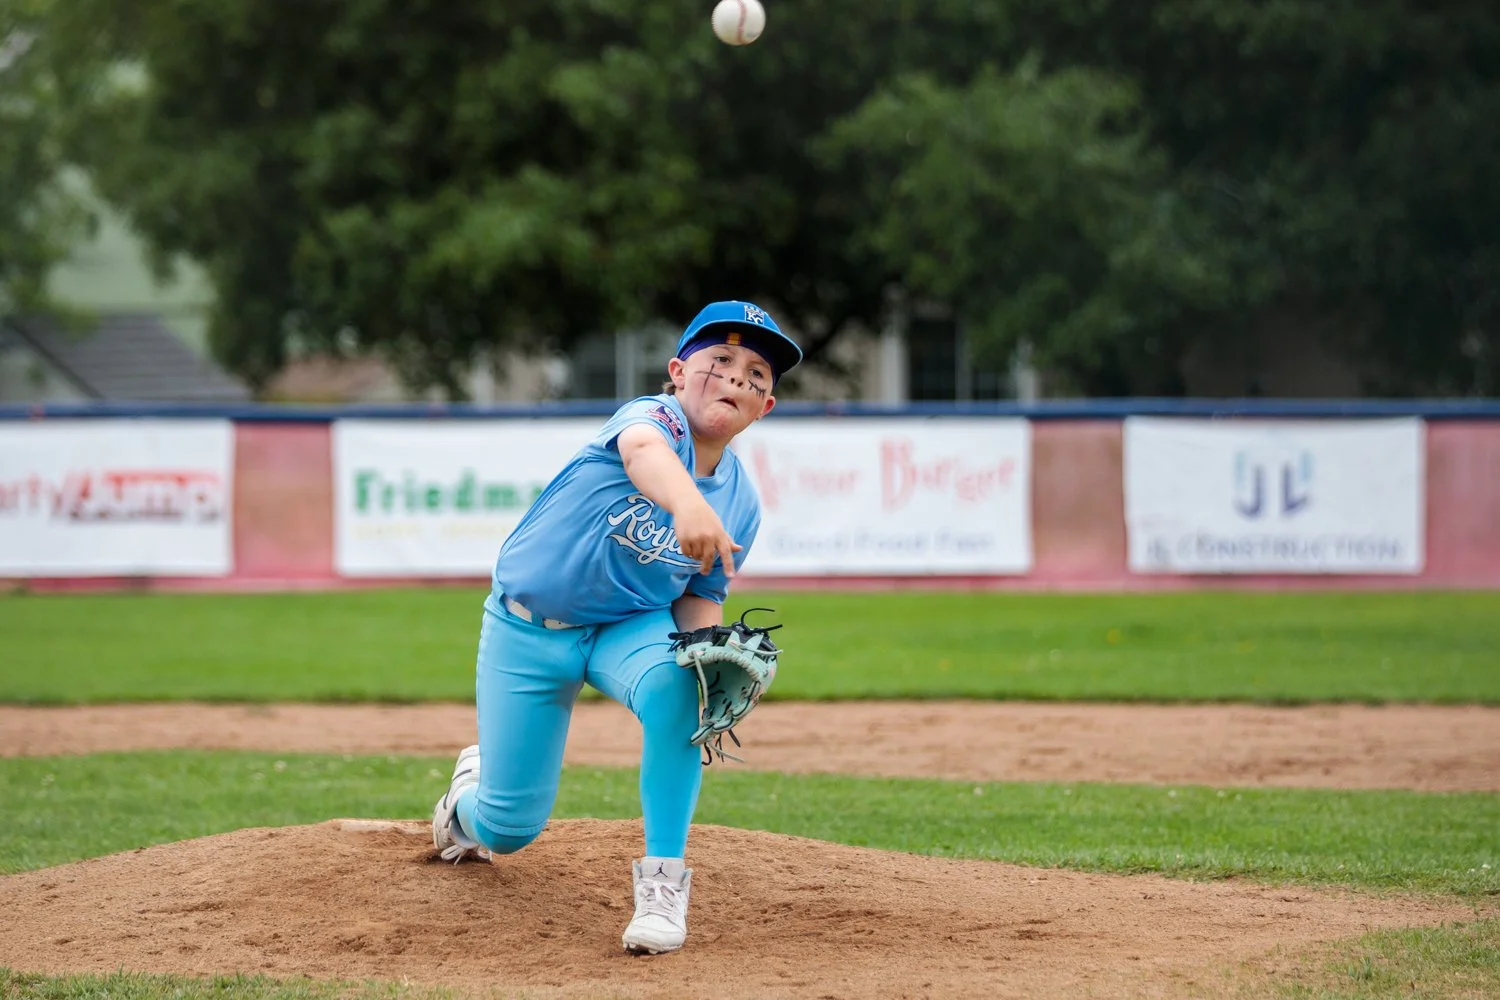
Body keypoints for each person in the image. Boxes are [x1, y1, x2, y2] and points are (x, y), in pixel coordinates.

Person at [431, 300, 802, 955]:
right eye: (720, 359)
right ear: (678, 373)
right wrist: (686, 503)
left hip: (627, 629)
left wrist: (705, 654)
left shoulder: (740, 501)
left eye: (756, 374)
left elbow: (701, 593)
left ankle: (663, 887)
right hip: (527, 630)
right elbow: (642, 453)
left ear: (764, 407)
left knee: (679, 690)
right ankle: (465, 805)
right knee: (509, 828)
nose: (736, 377)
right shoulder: (652, 419)